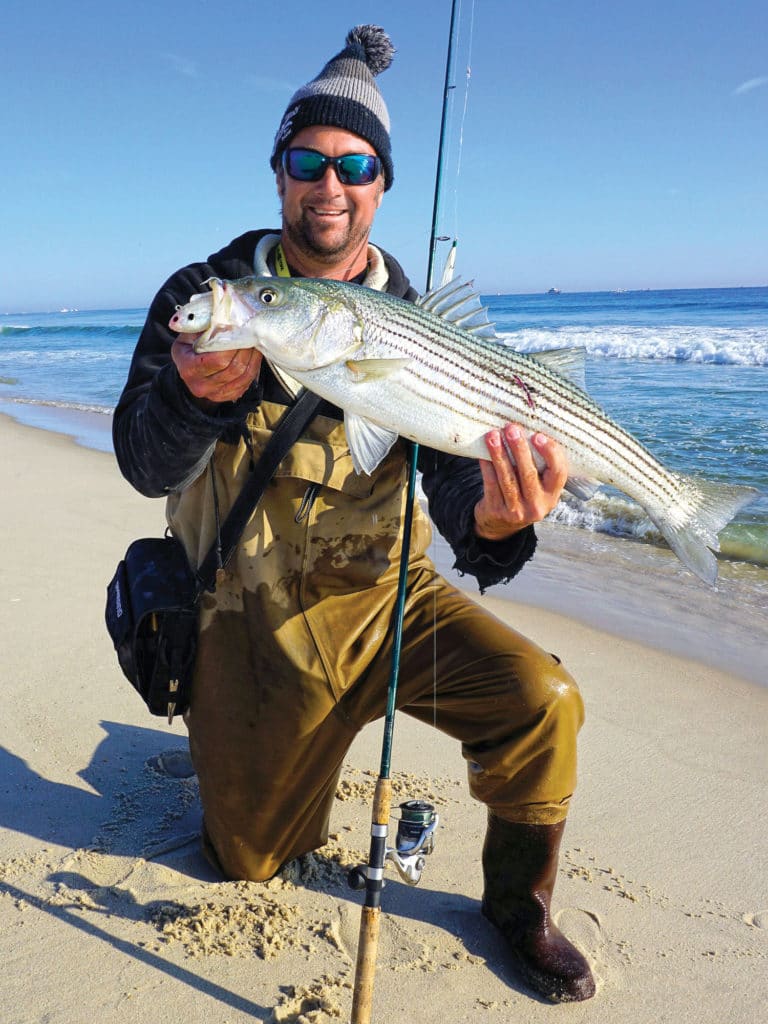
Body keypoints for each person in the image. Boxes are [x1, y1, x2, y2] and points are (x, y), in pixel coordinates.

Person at [113, 25, 596, 1004]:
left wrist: (504, 522)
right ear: (279, 173)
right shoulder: (207, 295)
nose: (328, 184)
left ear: (380, 185)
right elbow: (139, 457)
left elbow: (468, 513)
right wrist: (196, 395)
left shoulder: (419, 327)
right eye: (307, 160)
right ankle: (266, 750)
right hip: (250, 618)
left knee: (541, 700)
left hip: (386, 602)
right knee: (247, 858)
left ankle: (517, 901)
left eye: (355, 163)